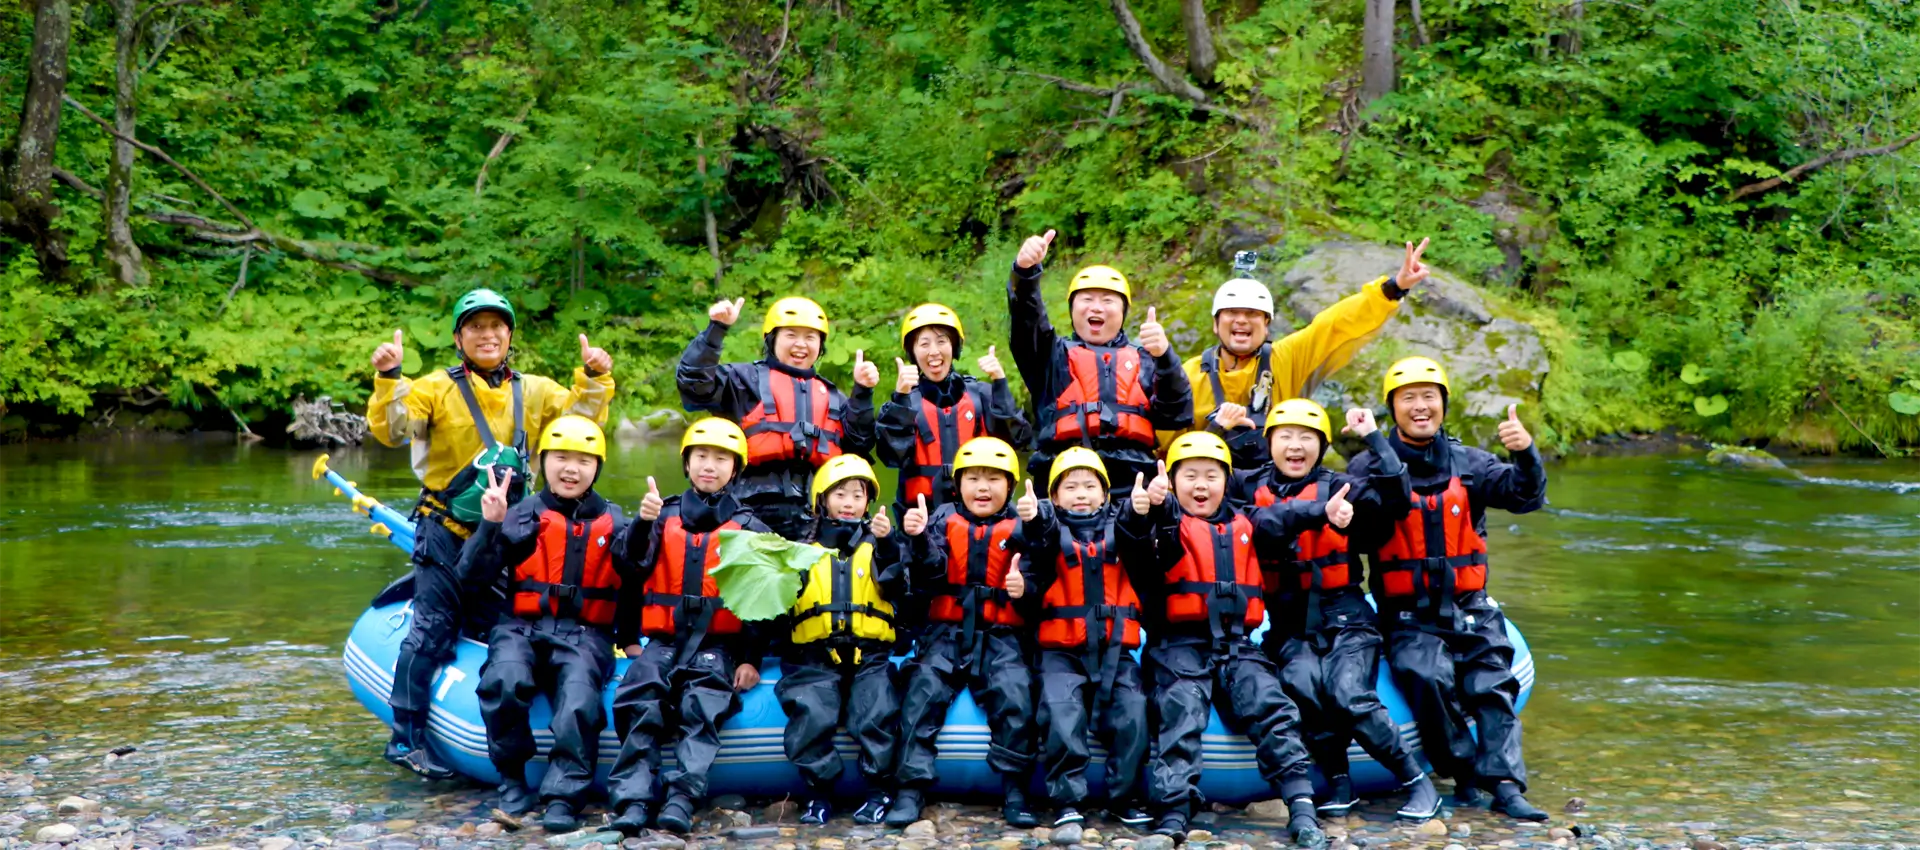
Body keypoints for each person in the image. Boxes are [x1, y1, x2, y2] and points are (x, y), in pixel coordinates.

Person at [365, 288, 615, 779]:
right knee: (433, 628)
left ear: (509, 336)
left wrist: (593, 377)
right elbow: (393, 430)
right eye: (475, 327)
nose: (487, 335)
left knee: (509, 625)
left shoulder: (538, 390)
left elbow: (578, 429)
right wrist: (390, 377)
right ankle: (405, 739)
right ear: (459, 338)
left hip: (511, 534)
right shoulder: (433, 388)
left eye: (496, 326)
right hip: (446, 529)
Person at [1346, 357, 1549, 822]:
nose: (1420, 407)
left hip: (1469, 606)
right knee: (1427, 674)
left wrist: (1525, 454)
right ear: (1392, 408)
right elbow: (1357, 530)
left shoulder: (1471, 462)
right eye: (1408, 399)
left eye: (1429, 397)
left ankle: (1506, 787)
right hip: (1406, 613)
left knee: (1491, 684)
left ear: (1443, 404)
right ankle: (1464, 772)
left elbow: (1524, 496)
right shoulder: (1366, 464)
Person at [1138, 432, 1346, 848]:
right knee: (1181, 712)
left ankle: (1302, 811)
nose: (1201, 486)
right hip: (1178, 647)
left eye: (1211, 476)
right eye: (1190, 476)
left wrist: (1324, 509)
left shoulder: (1246, 520)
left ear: (1226, 482)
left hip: (1237, 646)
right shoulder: (1162, 523)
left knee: (1272, 704)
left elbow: (1285, 516)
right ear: (1174, 482)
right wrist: (1147, 507)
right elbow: (1135, 535)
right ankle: (1173, 817)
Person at [1237, 399, 1440, 820]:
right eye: (1286, 437)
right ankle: (1339, 780)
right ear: (1269, 443)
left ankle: (1417, 782)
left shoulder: (1345, 487)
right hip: (1289, 624)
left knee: (1348, 693)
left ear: (1322, 445)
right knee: (1301, 683)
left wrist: (1372, 437)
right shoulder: (1247, 488)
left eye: (1307, 438)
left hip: (1346, 617)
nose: (1296, 446)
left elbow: (1398, 499)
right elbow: (1225, 501)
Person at [604, 418, 770, 835]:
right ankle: (633, 798)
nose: (709, 466)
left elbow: (761, 604)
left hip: (719, 644)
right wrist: (642, 523)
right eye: (701, 457)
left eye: (720, 459)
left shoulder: (751, 529)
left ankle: (682, 796)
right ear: (687, 462)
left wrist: (751, 659)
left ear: (736, 469)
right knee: (640, 696)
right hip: (663, 638)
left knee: (703, 704)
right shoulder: (662, 517)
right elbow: (629, 568)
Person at [461, 416, 624, 832]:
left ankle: (563, 796)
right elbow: (472, 577)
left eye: (583, 461)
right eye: (561, 459)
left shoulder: (617, 523)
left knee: (578, 702)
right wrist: (490, 525)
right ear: (545, 462)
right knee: (504, 681)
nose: (571, 469)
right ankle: (513, 780)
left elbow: (638, 584)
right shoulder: (517, 514)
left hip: (585, 633)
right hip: (521, 626)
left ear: (597, 468)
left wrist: (633, 639)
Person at [1160, 239, 1433, 469]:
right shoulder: (1190, 374)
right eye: (1232, 313)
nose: (1241, 320)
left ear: (1266, 325)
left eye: (1252, 314)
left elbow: (1335, 326)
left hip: (1273, 489)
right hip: (1208, 492)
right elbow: (1165, 445)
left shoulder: (1287, 357)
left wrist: (1393, 288)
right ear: (1215, 324)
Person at [892, 437, 1038, 827]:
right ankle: (910, 789)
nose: (983, 488)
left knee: (1015, 693)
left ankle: (1015, 789)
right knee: (921, 691)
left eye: (993, 479)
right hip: (946, 630)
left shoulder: (1024, 526)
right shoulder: (939, 519)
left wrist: (1025, 588)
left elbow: (1040, 581)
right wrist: (919, 538)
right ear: (957, 485)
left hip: (1002, 635)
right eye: (973, 479)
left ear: (1009, 485)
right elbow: (930, 574)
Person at [1020, 447, 1155, 830]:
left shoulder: (1125, 531)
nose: (1081, 493)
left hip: (1115, 650)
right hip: (1060, 653)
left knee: (1134, 712)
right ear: (1054, 496)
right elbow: (1038, 550)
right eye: (1070, 487)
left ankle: (1123, 797)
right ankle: (1067, 800)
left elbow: (1138, 536)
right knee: (1062, 715)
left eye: (1090, 486)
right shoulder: (1044, 533)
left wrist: (1142, 511)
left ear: (1105, 494)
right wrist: (1032, 523)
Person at [774, 455, 906, 826]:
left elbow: (899, 587)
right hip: (813, 656)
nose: (849, 503)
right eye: (840, 494)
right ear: (822, 499)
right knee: (810, 713)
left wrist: (889, 544)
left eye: (857, 495)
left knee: (877, 710)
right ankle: (819, 792)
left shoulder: (881, 545)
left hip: (871, 656)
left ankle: (879, 790)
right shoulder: (800, 550)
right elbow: (777, 606)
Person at [678, 296, 880, 538]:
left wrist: (862, 393)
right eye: (791, 335)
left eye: (810, 337)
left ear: (820, 344)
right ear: (772, 339)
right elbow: (693, 384)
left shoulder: (833, 397)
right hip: (748, 507)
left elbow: (860, 443)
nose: (801, 345)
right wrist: (716, 330)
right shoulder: (744, 380)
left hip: (813, 512)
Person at [1006, 230, 1193, 492]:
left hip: (1132, 479)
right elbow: (1027, 321)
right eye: (1086, 299)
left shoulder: (1146, 359)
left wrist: (1166, 357)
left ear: (1123, 312)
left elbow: (1177, 414)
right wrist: (1025, 274)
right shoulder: (1051, 357)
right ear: (1072, 310)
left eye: (1107, 300)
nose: (1096, 307)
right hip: (1063, 476)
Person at [876, 304, 1033, 512]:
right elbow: (891, 457)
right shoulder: (905, 403)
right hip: (923, 516)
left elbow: (1019, 439)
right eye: (924, 344)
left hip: (979, 512)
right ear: (913, 353)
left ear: (954, 347)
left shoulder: (982, 395)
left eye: (942, 341)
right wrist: (900, 399)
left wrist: (1000, 383)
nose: (934, 352)